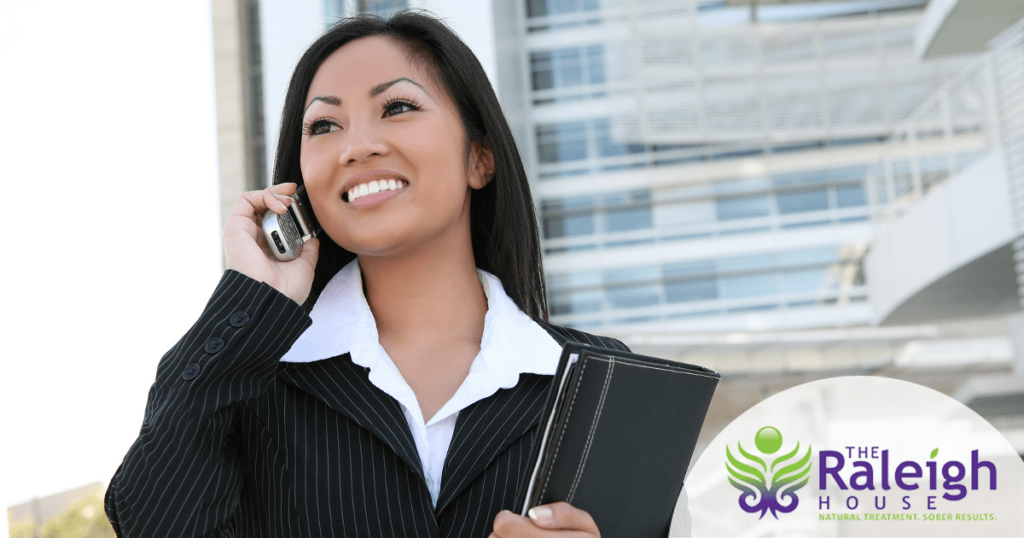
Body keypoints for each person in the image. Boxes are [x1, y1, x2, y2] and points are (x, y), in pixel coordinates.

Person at [104, 10, 632, 538]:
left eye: (397, 107)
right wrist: (252, 302)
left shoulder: (606, 383)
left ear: (479, 157)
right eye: (324, 126)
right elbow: (152, 522)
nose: (356, 147)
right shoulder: (247, 384)